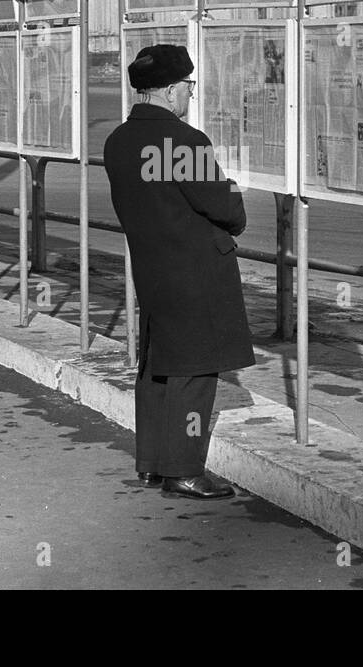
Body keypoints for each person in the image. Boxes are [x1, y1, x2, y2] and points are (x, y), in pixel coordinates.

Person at [103, 44, 254, 500]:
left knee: (156, 368)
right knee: (195, 371)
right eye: (188, 86)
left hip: (152, 270)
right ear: (170, 91)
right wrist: (234, 200)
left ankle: (151, 463)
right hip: (195, 272)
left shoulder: (119, 140)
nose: (190, 94)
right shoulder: (185, 142)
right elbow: (224, 206)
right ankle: (184, 470)